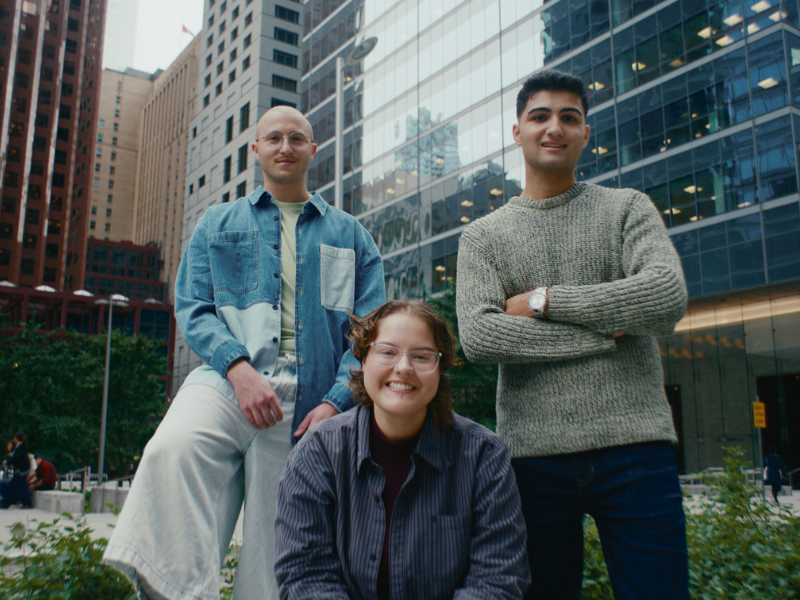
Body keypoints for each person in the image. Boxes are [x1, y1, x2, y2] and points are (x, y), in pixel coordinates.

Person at [104, 105, 386, 600]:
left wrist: (336, 403)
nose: (285, 147)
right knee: (170, 450)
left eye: (297, 138)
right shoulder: (218, 222)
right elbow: (193, 307)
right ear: (255, 149)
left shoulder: (351, 235)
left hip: (310, 398)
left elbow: (370, 332)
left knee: (276, 542)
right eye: (273, 138)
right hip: (226, 379)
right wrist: (237, 369)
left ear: (312, 150)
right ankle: (185, 592)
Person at [455, 70, 689, 600]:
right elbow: (481, 338)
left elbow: (665, 297)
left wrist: (545, 302)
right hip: (532, 456)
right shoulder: (484, 236)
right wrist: (608, 332)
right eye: (539, 116)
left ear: (586, 133)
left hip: (636, 446)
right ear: (517, 131)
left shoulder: (626, 207)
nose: (553, 127)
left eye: (569, 117)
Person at [275, 300, 530, 599]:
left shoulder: (483, 457)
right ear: (362, 360)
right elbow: (305, 575)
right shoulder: (318, 453)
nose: (404, 368)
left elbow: (497, 580)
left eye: (422, 357)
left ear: (439, 369)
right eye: (387, 352)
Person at [0, 432, 33, 509]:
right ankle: (5, 503)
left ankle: (28, 503)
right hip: (20, 471)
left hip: (20, 472)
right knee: (12, 487)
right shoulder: (21, 448)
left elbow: (16, 459)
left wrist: (7, 462)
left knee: (22, 488)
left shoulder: (20, 448)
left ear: (16, 439)